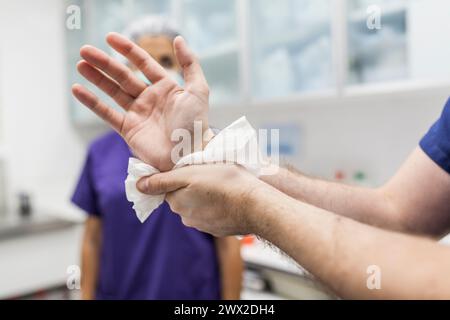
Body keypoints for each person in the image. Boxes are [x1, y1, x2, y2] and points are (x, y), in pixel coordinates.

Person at [71, 31, 450, 299]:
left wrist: (244, 196)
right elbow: (396, 217)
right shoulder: (103, 153)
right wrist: (204, 153)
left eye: (164, 58)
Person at [71, 17, 242, 300]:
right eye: (143, 62)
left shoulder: (207, 147)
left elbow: (228, 245)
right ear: (125, 70)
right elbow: (92, 238)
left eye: (166, 60)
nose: (154, 71)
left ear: (182, 69)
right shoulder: (99, 153)